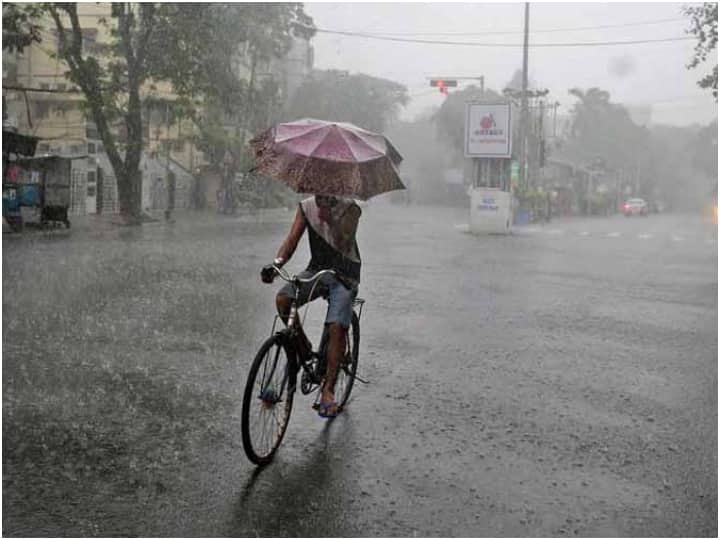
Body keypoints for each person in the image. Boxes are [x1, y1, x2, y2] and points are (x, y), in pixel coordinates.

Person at [261, 194, 362, 418]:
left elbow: (345, 241)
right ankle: (302, 347)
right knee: (284, 299)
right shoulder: (306, 206)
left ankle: (328, 390)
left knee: (337, 327)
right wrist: (276, 264)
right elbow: (291, 241)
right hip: (317, 270)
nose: (320, 194)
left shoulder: (350, 208)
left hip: (345, 274)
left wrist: (330, 219)